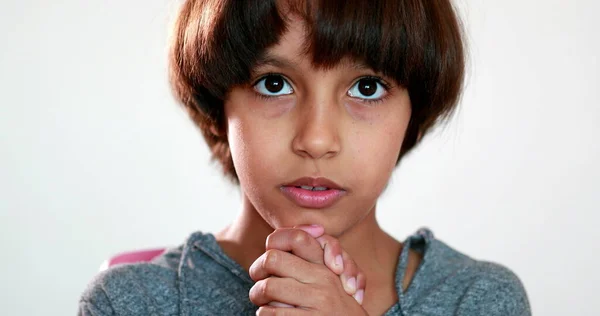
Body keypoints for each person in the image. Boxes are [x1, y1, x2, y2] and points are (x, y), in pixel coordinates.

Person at [79, 0, 531, 315]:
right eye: (274, 83)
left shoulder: (477, 300)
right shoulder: (131, 302)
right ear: (219, 106)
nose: (317, 139)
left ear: (413, 114)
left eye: (366, 88)